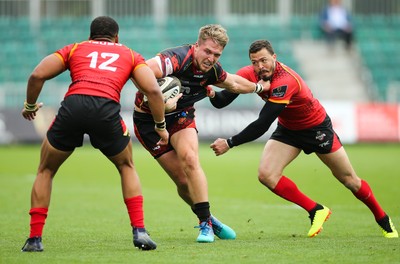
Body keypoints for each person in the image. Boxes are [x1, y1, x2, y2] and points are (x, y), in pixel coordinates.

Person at [209, 39, 398, 239]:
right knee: (267, 175)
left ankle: (383, 220)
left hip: (316, 129)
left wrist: (230, 143)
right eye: (255, 62)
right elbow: (222, 101)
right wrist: (211, 93)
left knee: (350, 180)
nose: (259, 66)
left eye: (264, 60)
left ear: (274, 58)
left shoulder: (285, 81)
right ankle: (316, 210)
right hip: (289, 130)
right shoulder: (250, 73)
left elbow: (263, 123)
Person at [20, 16, 169, 252]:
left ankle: (34, 239)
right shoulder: (129, 54)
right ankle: (139, 231)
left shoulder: (75, 48)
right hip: (105, 110)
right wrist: (160, 125)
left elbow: (37, 75)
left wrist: (30, 106)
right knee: (126, 166)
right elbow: (152, 89)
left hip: (73, 106)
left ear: (91, 35)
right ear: (117, 37)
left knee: (46, 170)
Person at [133, 24, 266, 243]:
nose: (211, 58)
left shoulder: (212, 70)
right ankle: (209, 218)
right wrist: (160, 101)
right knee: (183, 182)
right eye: (207, 51)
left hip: (181, 116)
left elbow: (233, 82)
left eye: (217, 54)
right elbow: (140, 72)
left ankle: (205, 226)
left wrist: (260, 88)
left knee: (190, 159)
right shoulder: (175, 59)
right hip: (148, 122)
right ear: (197, 46)